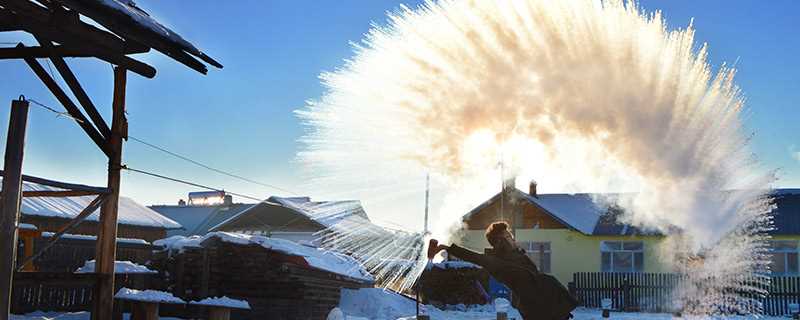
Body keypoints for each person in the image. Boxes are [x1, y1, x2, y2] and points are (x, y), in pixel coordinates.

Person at [429, 221, 577, 320]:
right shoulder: (497, 262)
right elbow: (475, 257)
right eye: (507, 236)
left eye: (510, 235)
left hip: (551, 305)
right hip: (538, 309)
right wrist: (446, 248)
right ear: (500, 241)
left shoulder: (518, 256)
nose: (512, 238)